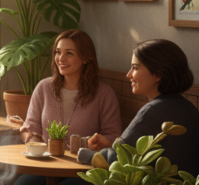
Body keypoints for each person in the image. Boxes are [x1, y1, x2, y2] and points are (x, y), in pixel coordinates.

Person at [9, 29, 122, 185]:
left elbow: (114, 138)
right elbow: (31, 128)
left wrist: (102, 142)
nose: (61, 58)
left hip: (84, 171)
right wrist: (32, 138)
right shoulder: (44, 87)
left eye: (69, 53)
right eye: (58, 52)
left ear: (85, 58)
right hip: (48, 166)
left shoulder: (104, 93)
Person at [80, 39, 199, 176]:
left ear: (158, 75)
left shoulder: (153, 111)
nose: (128, 74)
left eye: (135, 68)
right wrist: (110, 147)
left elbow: (117, 160)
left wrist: (83, 154)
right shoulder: (188, 108)